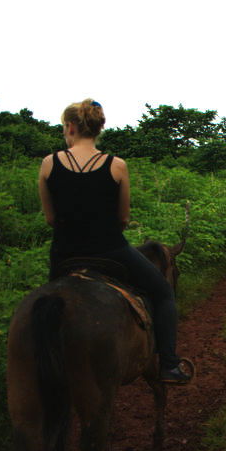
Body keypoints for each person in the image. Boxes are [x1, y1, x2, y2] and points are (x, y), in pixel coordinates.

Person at [38, 98, 191, 384]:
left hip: (64, 255)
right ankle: (169, 364)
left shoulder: (48, 164)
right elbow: (122, 219)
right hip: (110, 251)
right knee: (163, 294)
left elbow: (50, 219)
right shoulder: (117, 166)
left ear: (70, 127)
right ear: (97, 128)